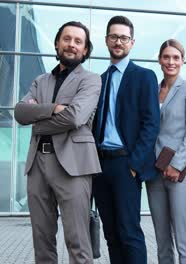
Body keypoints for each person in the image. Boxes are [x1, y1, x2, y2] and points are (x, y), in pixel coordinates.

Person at [14, 21, 100, 263]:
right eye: (67, 39)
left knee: (77, 242)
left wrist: (38, 119)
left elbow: (75, 117)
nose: (71, 45)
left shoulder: (91, 80)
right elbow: (20, 113)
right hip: (37, 165)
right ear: (57, 43)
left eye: (78, 41)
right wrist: (54, 108)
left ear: (85, 50)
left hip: (73, 166)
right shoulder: (40, 80)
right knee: (41, 241)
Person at [92, 15, 160, 264]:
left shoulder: (144, 76)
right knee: (111, 234)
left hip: (125, 165)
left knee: (129, 232)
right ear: (106, 40)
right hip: (99, 165)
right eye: (113, 36)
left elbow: (151, 123)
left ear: (132, 42)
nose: (118, 41)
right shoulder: (99, 80)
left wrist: (134, 165)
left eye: (123, 37)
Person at [146, 39, 186, 264]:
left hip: (180, 173)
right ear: (160, 60)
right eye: (166, 57)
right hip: (154, 172)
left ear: (182, 61)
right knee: (161, 238)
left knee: (184, 237)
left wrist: (176, 164)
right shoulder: (152, 90)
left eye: (176, 57)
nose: (171, 62)